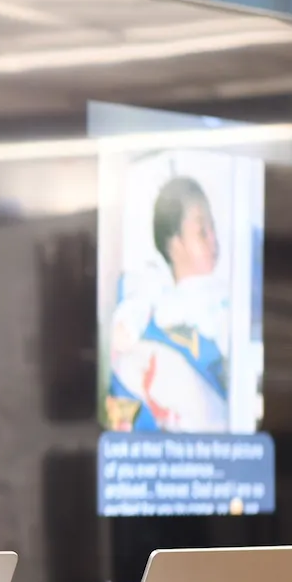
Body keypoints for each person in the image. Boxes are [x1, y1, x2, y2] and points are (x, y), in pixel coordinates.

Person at [106, 174, 230, 432]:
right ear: (174, 244)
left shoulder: (227, 300)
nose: (214, 239)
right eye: (201, 231)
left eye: (213, 228)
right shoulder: (147, 299)